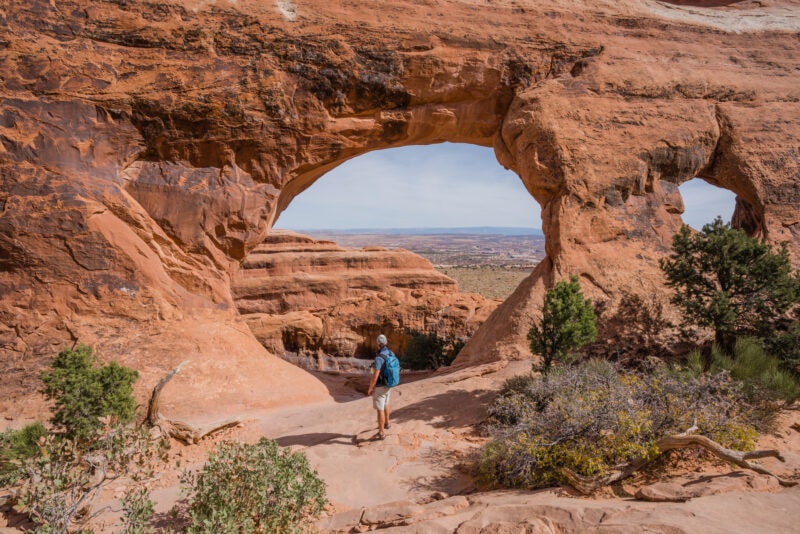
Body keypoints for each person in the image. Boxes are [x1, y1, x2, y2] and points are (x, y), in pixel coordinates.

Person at [367, 334, 396, 440]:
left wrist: (370, 388)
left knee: (380, 409)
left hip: (380, 385)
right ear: (386, 343)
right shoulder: (390, 353)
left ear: (378, 344)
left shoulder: (379, 357)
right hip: (389, 383)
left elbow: (376, 374)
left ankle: (381, 432)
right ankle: (387, 423)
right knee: (386, 403)